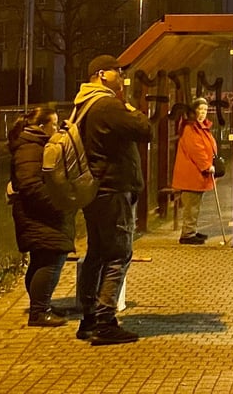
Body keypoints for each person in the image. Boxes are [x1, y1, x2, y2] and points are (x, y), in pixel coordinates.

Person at [75, 54, 152, 345]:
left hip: (95, 190)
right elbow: (144, 130)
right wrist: (130, 107)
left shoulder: (82, 104)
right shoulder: (107, 105)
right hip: (113, 188)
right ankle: (105, 321)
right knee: (119, 254)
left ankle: (88, 318)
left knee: (96, 254)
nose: (121, 76)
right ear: (102, 74)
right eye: (117, 72)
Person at [8, 107, 73, 327]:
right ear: (42, 126)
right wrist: (57, 204)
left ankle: (41, 304)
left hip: (36, 213)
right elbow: (30, 184)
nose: (57, 127)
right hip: (38, 214)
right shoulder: (30, 147)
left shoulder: (35, 144)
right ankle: (39, 312)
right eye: (54, 123)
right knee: (51, 259)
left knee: (42, 259)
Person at [171, 97, 217, 245]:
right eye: (200, 109)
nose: (203, 113)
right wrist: (207, 165)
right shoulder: (190, 128)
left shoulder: (201, 127)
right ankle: (187, 234)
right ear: (194, 111)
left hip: (197, 173)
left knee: (194, 205)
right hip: (192, 173)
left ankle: (191, 230)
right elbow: (196, 150)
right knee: (191, 205)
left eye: (205, 110)